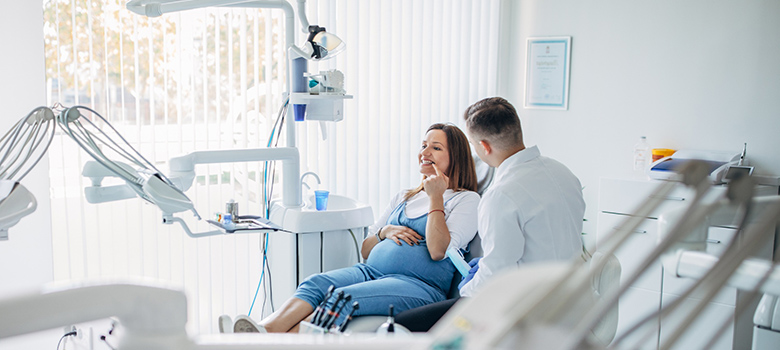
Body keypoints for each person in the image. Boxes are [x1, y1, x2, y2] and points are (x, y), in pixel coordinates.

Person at [226, 123, 480, 333]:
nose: (425, 152)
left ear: (455, 157)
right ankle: (264, 330)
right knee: (315, 283)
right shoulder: (405, 196)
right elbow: (366, 249)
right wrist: (384, 232)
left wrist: (436, 197)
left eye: (436, 147)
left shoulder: (466, 199)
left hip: (418, 285)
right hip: (369, 271)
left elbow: (437, 250)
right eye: (423, 145)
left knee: (341, 299)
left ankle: (270, 343)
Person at [395, 97, 585, 332]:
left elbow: (497, 274)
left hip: (528, 310)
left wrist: (466, 288)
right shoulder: (563, 173)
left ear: (484, 147)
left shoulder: (501, 195)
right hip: (573, 302)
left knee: (402, 325)